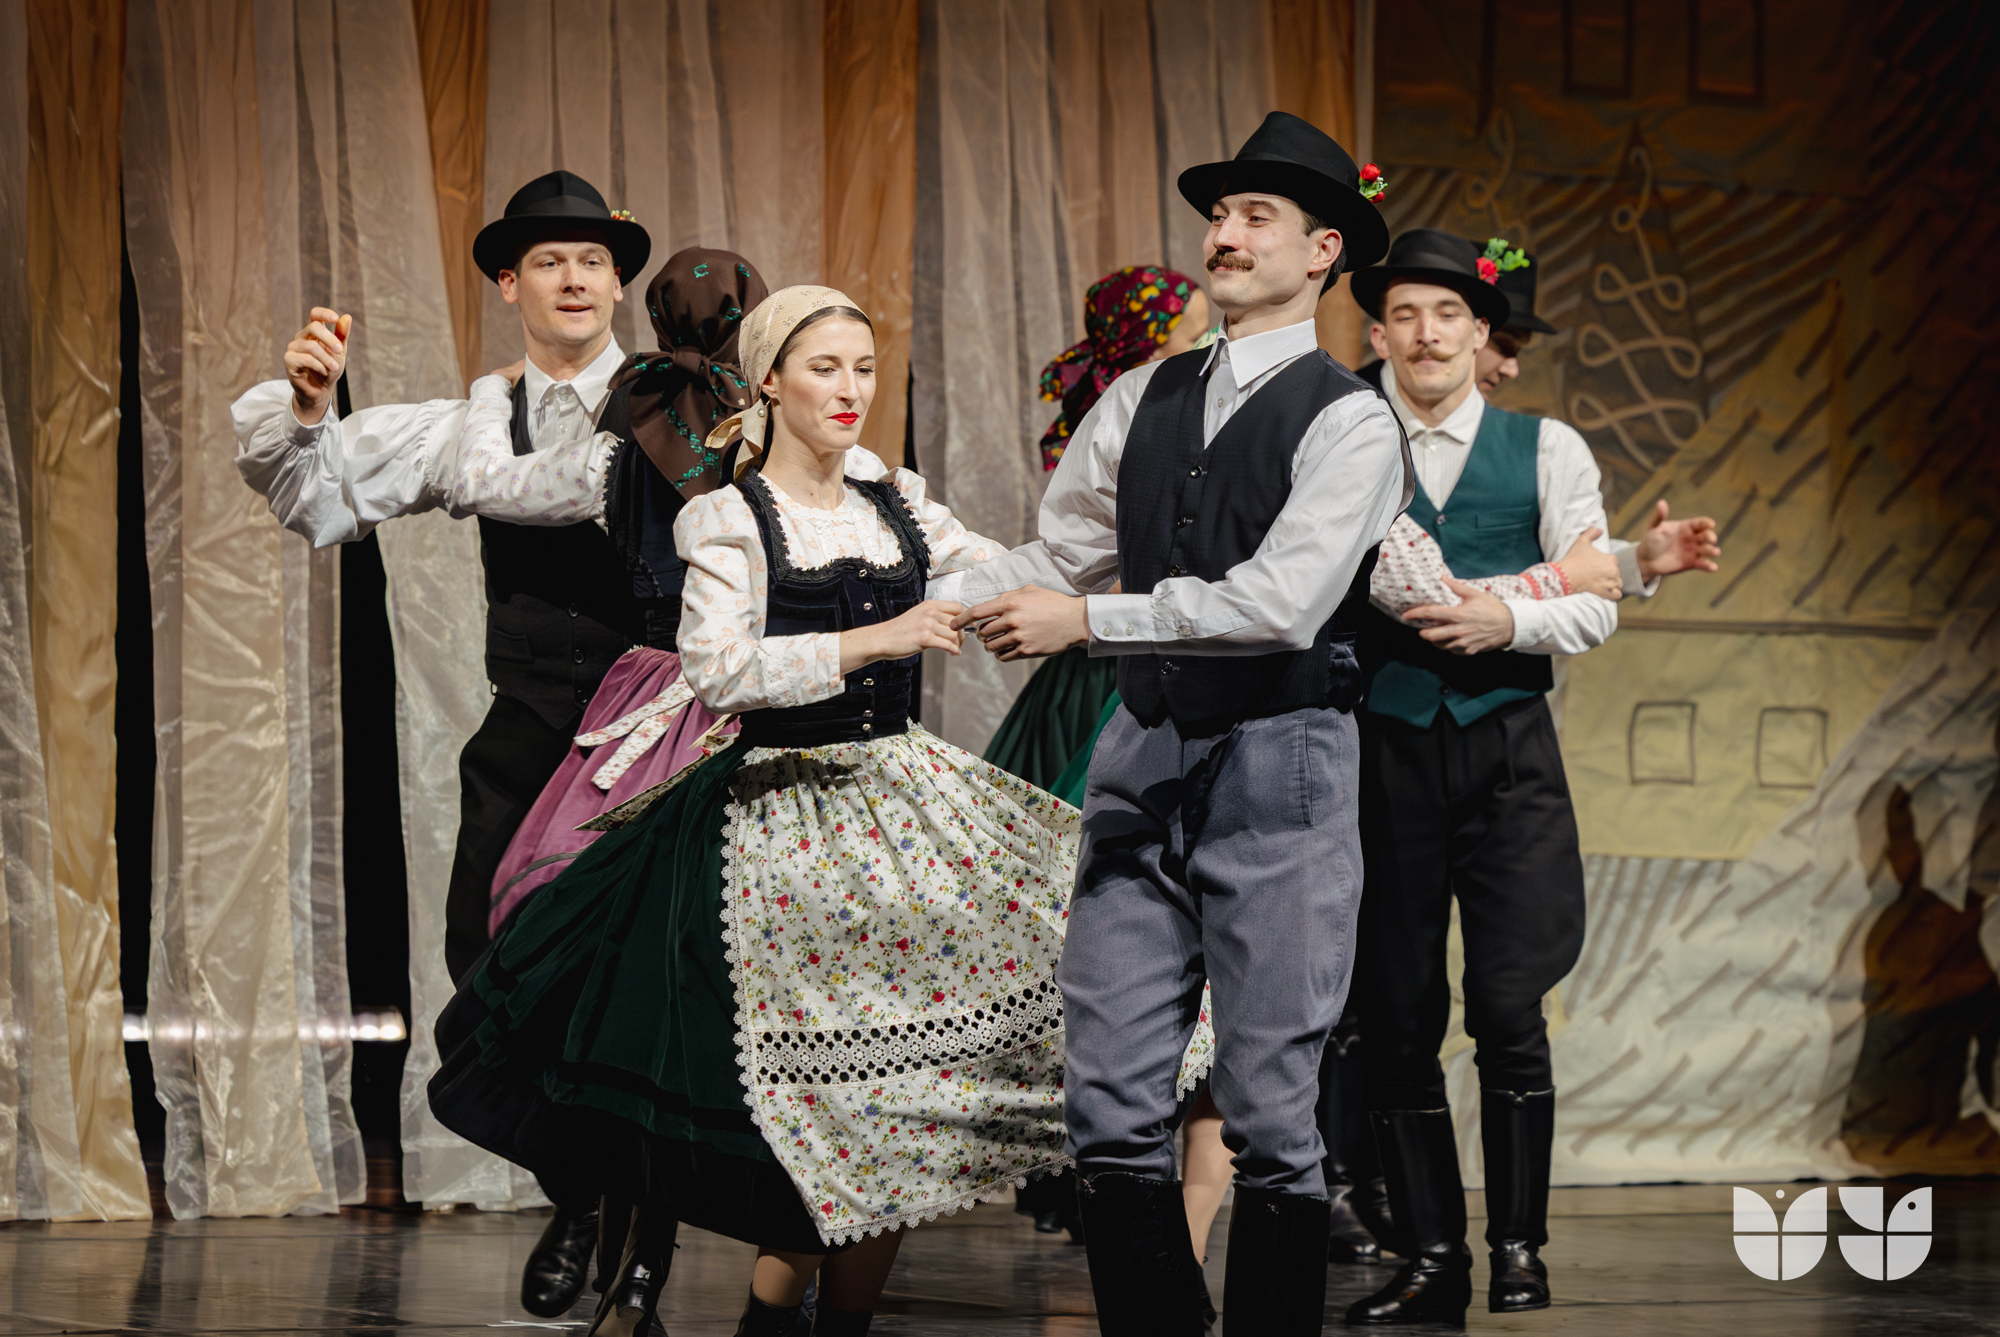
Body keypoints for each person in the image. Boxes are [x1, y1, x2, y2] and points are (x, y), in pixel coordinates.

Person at [427, 287, 1110, 1337]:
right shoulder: (728, 517)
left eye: (863, 368)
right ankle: (755, 1307)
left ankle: (833, 1319)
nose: (850, 389)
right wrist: (872, 639)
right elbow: (718, 667)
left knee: (909, 1083)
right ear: (770, 382)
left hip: (903, 810)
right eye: (825, 367)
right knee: (822, 1092)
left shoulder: (896, 500)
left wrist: (1104, 569)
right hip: (778, 817)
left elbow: (997, 572)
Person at [940, 111, 1410, 1336]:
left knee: (1268, 1110)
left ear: (1321, 250)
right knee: (1105, 1100)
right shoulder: (1140, 396)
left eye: (1255, 216)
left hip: (1281, 762)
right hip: (1144, 754)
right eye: (1218, 214)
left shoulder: (1351, 420)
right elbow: (1055, 554)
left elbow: (1279, 601)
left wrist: (1087, 624)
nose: (1224, 234)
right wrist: (893, 584)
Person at [232, 170, 658, 1320]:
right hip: (530, 725)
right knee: (487, 962)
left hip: (655, 730)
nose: (574, 278)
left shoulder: (667, 406)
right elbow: (313, 495)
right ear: (509, 283)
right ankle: (580, 1188)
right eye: (549, 260)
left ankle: (642, 1210)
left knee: (643, 973)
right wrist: (310, 407)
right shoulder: (473, 420)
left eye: (593, 260)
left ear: (619, 282)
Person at [1336, 227, 1604, 1325]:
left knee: (1506, 1002)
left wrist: (1508, 619)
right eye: (1404, 314)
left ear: (1481, 330)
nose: (1427, 333)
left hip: (1506, 752)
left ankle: (1519, 1250)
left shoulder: (1546, 448)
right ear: (1377, 334)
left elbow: (1594, 600)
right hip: (1381, 748)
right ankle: (1432, 1257)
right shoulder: (1342, 439)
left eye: (1448, 313)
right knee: (1397, 1011)